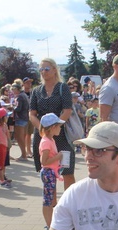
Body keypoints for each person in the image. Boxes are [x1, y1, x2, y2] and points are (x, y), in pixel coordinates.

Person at [30, 58, 75, 186]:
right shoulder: (37, 90)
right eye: (41, 69)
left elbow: (67, 110)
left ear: (55, 70)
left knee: (68, 171)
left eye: (47, 69)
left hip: (61, 135)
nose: (44, 72)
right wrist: (43, 129)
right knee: (48, 173)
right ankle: (52, 204)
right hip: (43, 136)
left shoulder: (63, 87)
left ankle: (70, 204)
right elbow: (32, 114)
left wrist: (55, 127)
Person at [38, 113, 64, 230]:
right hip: (48, 173)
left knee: (51, 198)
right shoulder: (46, 142)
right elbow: (44, 161)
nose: (60, 128)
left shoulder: (50, 140)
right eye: (59, 126)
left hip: (51, 173)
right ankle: (49, 225)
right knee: (48, 200)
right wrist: (58, 157)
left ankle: (51, 223)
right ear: (52, 127)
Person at [12, 82, 30, 160]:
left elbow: (18, 108)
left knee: (20, 137)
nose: (12, 91)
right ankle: (24, 154)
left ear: (17, 89)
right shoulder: (24, 95)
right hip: (25, 118)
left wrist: (11, 107)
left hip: (20, 118)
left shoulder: (20, 97)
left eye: (13, 89)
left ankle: (23, 155)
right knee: (21, 137)